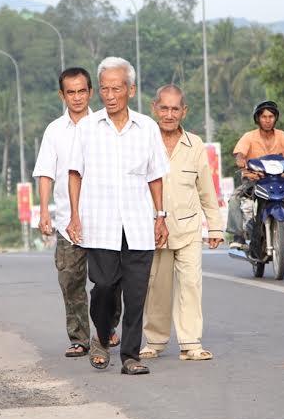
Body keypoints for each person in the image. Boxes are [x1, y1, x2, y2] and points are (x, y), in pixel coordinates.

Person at [67, 57, 169, 375]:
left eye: (116, 88)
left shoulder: (147, 128)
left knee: (137, 293)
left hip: (139, 224)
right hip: (100, 225)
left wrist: (160, 216)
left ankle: (130, 356)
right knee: (105, 287)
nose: (110, 95)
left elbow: (155, 176)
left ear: (131, 89)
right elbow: (74, 174)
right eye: (105, 89)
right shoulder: (87, 127)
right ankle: (101, 335)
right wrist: (74, 216)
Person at [33, 67, 122, 359]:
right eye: (70, 92)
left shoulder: (106, 125)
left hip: (103, 217)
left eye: (82, 91)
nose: (76, 97)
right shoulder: (54, 130)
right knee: (70, 279)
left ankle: (106, 327)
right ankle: (80, 338)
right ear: (62, 95)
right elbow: (45, 173)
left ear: (91, 92)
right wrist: (44, 211)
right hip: (65, 222)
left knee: (108, 280)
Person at [140, 85, 224, 362]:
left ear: (184, 111)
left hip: (188, 228)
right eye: (164, 108)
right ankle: (154, 341)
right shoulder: (143, 142)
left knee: (191, 284)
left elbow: (206, 190)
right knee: (157, 287)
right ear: (154, 108)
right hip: (154, 230)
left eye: (175, 108)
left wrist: (215, 226)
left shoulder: (195, 145)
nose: (169, 114)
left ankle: (191, 344)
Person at [226, 101, 284, 253]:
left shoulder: (282, 135)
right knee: (234, 200)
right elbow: (240, 154)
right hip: (254, 181)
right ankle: (238, 236)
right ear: (257, 118)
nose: (268, 120)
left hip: (279, 181)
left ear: (275, 118)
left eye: (271, 116)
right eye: (264, 117)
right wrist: (240, 159)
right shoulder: (248, 137)